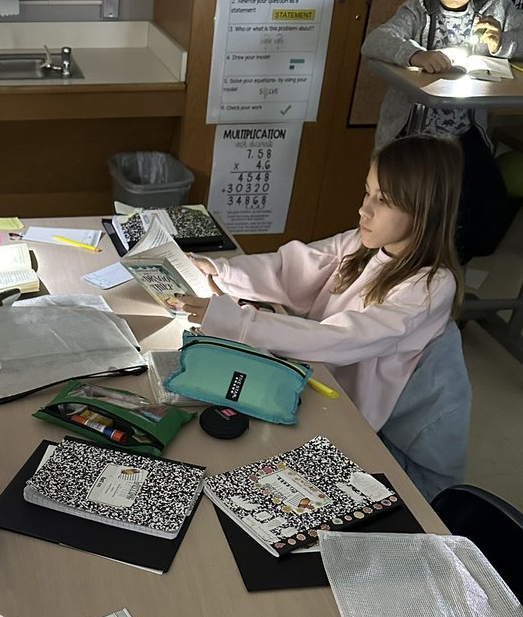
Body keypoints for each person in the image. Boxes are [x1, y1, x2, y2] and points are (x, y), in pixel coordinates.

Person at [181, 134, 467, 492]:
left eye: (384, 200)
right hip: (328, 388)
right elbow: (292, 268)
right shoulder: (361, 243)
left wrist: (236, 323)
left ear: (424, 211)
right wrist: (221, 271)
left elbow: (341, 338)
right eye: (367, 192)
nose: (365, 209)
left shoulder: (431, 286)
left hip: (380, 438)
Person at [360, 0, 523, 263]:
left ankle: (448, 273)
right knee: (410, 212)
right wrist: (416, 54)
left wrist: (502, 42)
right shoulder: (419, 12)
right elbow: (376, 40)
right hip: (414, 138)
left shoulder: (494, 10)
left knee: (486, 208)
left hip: (463, 136)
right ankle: (402, 273)